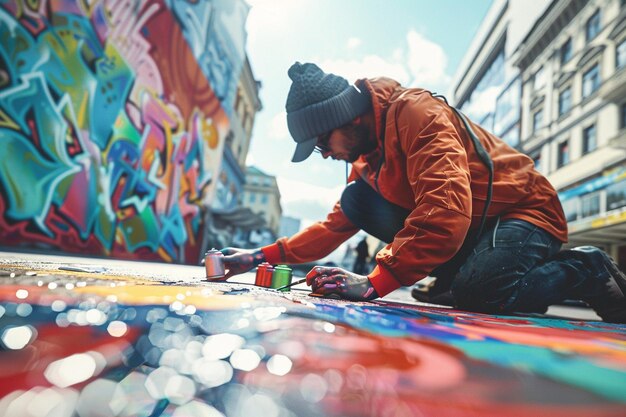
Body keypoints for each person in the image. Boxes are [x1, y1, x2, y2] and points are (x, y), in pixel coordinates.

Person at [217, 62, 626, 323]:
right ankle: (455, 275)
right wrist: (257, 258)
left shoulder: (415, 113)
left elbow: (446, 208)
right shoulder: (363, 159)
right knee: (356, 200)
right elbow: (334, 227)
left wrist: (376, 281)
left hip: (524, 213)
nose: (324, 155)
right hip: (474, 226)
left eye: (322, 144)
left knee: (479, 294)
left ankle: (586, 269)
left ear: (345, 117)